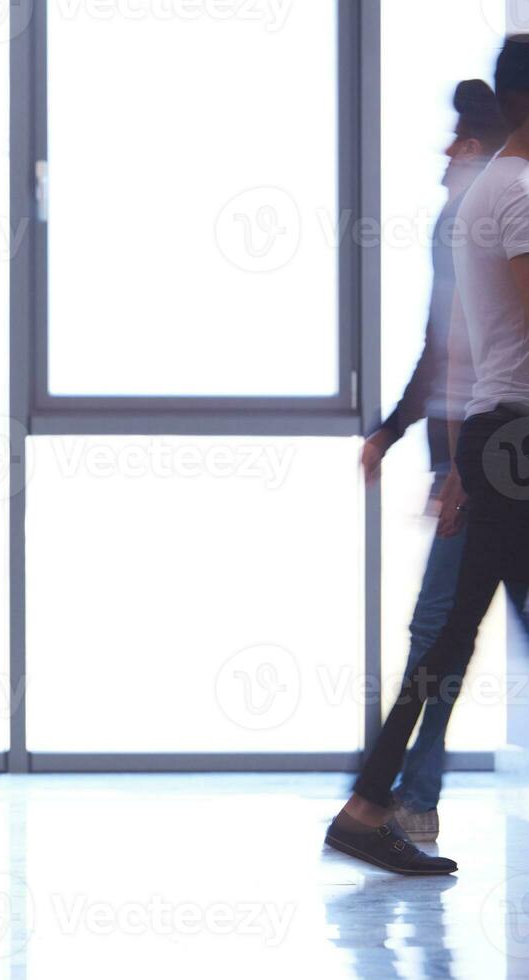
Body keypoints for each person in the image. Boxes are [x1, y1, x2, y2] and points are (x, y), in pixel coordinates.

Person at [328, 38, 529, 873]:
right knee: (448, 634)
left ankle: (369, 804)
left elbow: (465, 344)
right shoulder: (516, 192)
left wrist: (457, 460)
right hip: (516, 437)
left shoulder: (486, 189)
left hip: (495, 435)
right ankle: (372, 804)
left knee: (447, 637)